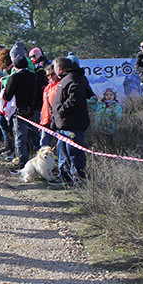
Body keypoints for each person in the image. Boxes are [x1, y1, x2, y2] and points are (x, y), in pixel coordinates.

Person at [52, 57, 91, 187]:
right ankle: (64, 178)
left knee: (75, 154)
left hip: (73, 125)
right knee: (63, 154)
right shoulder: (66, 79)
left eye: (55, 68)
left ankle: (78, 181)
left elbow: (75, 98)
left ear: (60, 69)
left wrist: (61, 111)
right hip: (64, 125)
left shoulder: (73, 79)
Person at [2, 54, 37, 170]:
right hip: (34, 110)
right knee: (35, 136)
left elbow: (7, 96)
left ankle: (23, 164)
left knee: (20, 138)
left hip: (20, 112)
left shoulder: (14, 77)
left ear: (15, 67)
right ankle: (39, 163)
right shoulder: (35, 76)